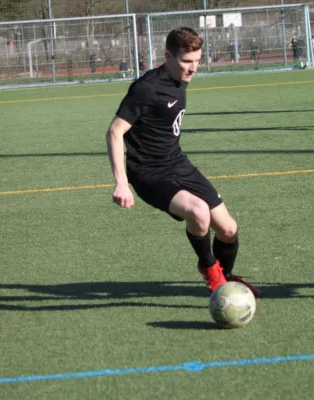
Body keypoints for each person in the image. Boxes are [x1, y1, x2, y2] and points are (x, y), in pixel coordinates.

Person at [105, 27, 260, 297]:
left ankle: (225, 276)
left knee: (229, 230)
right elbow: (115, 132)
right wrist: (121, 183)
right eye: (187, 61)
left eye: (198, 61)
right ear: (168, 56)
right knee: (199, 213)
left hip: (177, 163)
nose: (194, 68)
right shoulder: (146, 88)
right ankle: (210, 271)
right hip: (148, 173)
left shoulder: (180, 80)